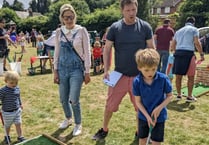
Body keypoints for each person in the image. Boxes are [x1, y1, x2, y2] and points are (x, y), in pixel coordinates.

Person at [92, 0, 156, 140]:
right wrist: (106, 70)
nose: (131, 13)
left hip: (139, 77)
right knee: (110, 106)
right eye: (128, 10)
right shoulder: (115, 28)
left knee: (141, 108)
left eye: (133, 10)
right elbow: (107, 49)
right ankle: (104, 129)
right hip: (118, 75)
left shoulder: (145, 27)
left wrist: (151, 71)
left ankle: (140, 132)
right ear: (122, 11)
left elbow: (152, 49)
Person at [53, 3, 91, 136]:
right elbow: (56, 52)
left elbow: (87, 52)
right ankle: (68, 118)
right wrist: (55, 70)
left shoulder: (81, 31)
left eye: (71, 16)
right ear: (62, 18)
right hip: (62, 69)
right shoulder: (59, 32)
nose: (69, 19)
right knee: (63, 99)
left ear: (75, 16)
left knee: (73, 99)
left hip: (76, 70)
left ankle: (78, 123)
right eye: (66, 17)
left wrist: (87, 71)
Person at [133, 48, 173, 145]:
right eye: (146, 70)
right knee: (142, 140)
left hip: (159, 117)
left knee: (156, 142)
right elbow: (138, 102)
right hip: (143, 116)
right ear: (139, 67)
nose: (150, 73)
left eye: (153, 69)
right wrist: (147, 116)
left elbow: (170, 96)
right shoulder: (137, 81)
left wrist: (159, 108)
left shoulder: (163, 79)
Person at [171, 16, 204, 102]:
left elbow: (173, 44)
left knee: (178, 76)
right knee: (191, 76)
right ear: (193, 23)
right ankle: (189, 96)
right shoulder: (194, 29)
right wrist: (201, 54)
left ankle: (178, 95)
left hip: (178, 53)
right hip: (188, 53)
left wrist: (175, 52)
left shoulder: (178, 31)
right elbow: (197, 42)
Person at [0, 71, 26, 144]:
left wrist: (20, 104)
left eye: (16, 83)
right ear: (6, 81)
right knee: (7, 125)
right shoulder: (3, 90)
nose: (14, 84)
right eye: (12, 83)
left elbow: (18, 96)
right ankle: (7, 136)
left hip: (17, 111)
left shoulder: (17, 88)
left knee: (18, 124)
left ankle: (20, 136)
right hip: (7, 112)